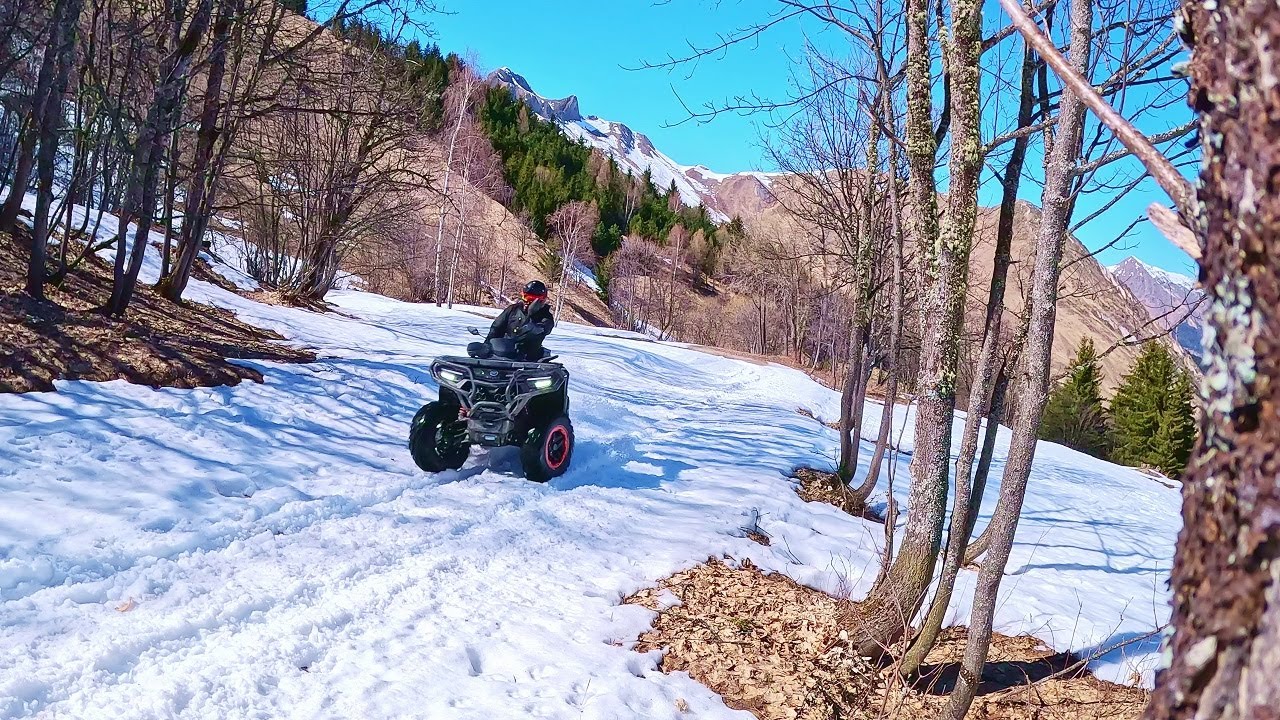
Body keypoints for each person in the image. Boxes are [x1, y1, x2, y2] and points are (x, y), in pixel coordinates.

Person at [485, 280, 555, 361]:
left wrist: (534, 325)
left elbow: (545, 328)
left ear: (541, 300)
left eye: (530, 298)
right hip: (503, 352)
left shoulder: (546, 316)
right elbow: (496, 328)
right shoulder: (512, 309)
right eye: (525, 296)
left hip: (529, 359)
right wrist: (487, 346)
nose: (526, 301)